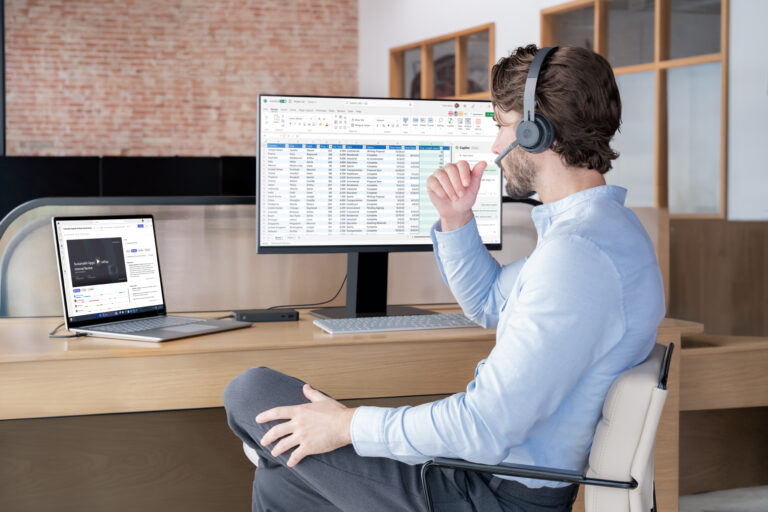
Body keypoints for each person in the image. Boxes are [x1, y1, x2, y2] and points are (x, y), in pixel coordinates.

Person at [223, 44, 665, 512]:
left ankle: (284, 450)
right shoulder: (604, 233)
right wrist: (457, 219)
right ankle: (282, 460)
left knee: (251, 391)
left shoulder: (577, 257)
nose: (496, 146)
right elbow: (490, 304)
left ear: (537, 132)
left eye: (501, 125)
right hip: (498, 481)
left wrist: (346, 426)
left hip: (493, 494)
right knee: (284, 476)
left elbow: (485, 428)